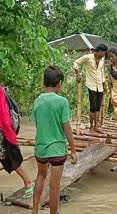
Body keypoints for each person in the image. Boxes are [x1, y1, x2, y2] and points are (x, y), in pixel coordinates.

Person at [32, 66, 77, 214]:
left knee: (40, 176)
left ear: (44, 82)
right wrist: (73, 149)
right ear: (59, 83)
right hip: (57, 149)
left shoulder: (38, 101)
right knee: (55, 185)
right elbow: (67, 128)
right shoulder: (62, 102)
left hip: (40, 148)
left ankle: (34, 210)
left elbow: (38, 124)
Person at [0, 86, 34, 200]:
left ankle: (28, 182)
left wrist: (9, 135)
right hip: (4, 132)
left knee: (11, 158)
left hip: (4, 132)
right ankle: (27, 182)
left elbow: (4, 118)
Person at [73, 44, 108, 133]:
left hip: (99, 85)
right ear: (99, 51)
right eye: (104, 53)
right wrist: (78, 73)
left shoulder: (102, 59)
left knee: (98, 107)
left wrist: (104, 84)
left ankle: (96, 126)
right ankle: (91, 126)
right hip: (91, 85)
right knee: (92, 107)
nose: (104, 55)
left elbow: (102, 72)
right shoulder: (88, 57)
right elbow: (76, 62)